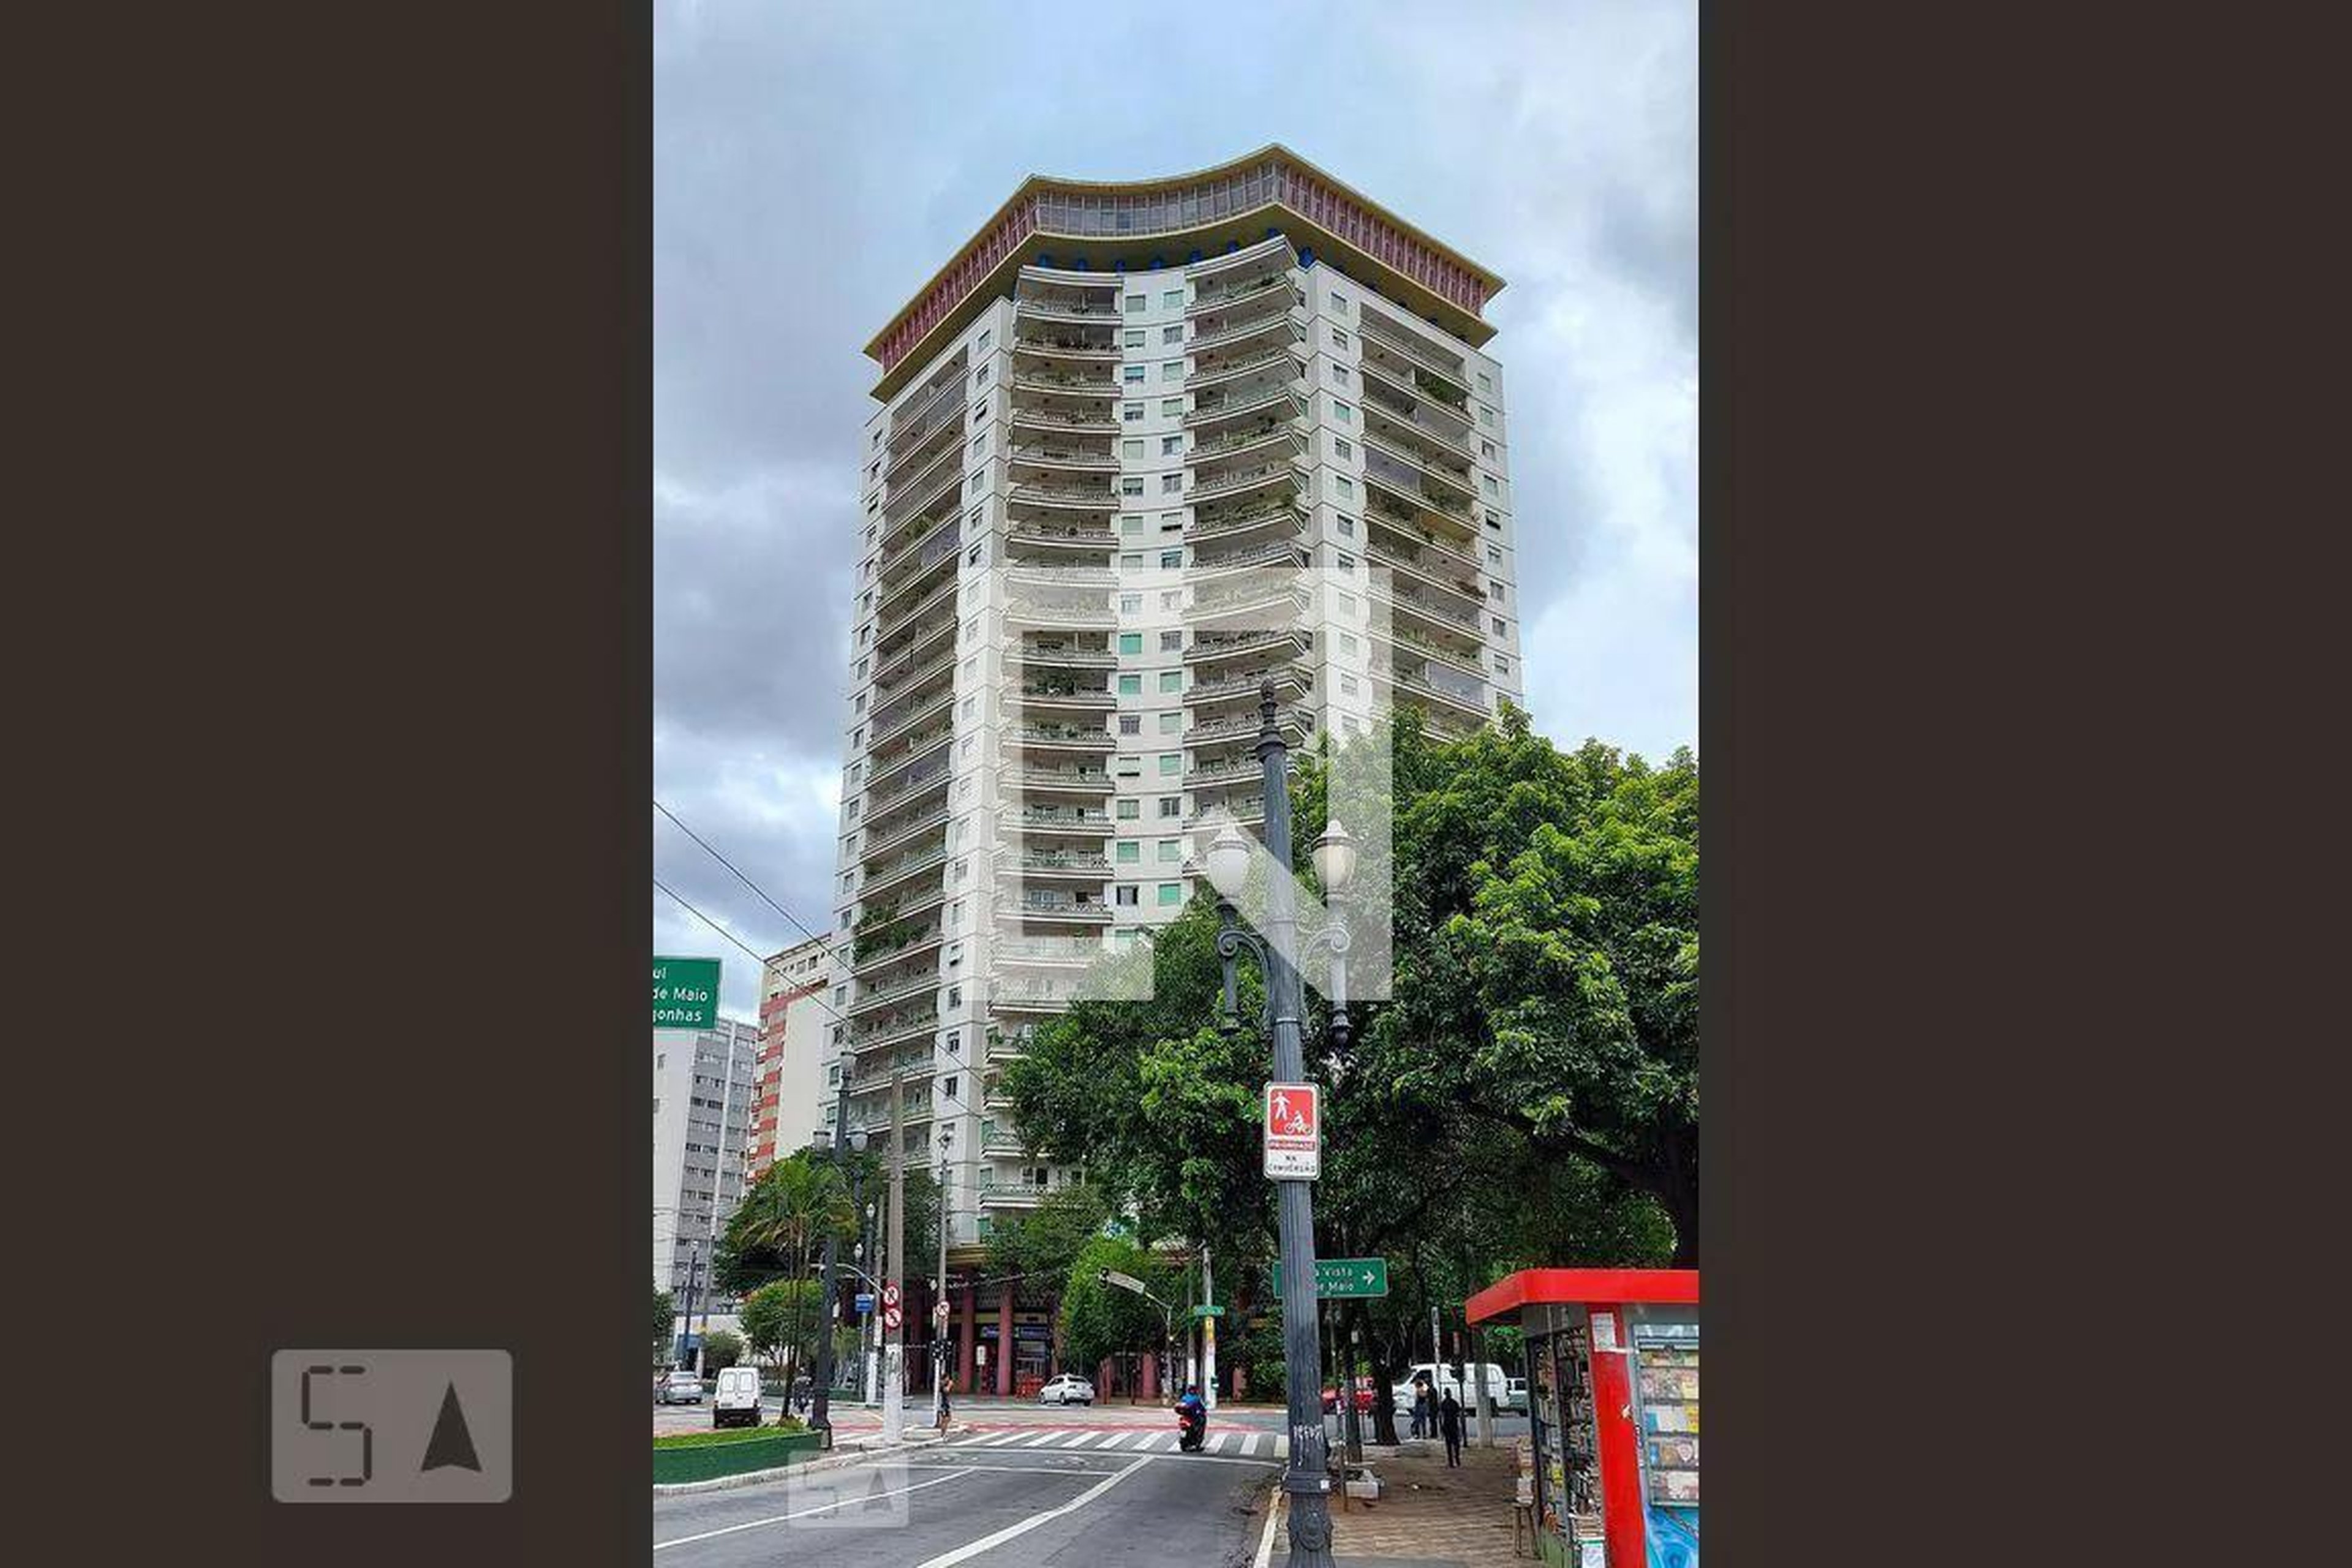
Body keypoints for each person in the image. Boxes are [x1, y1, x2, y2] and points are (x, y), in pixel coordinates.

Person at [1439, 1389, 1464, 1468]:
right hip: (1453, 1425)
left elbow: (1441, 1416)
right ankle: (1457, 1459)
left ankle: (1451, 1462)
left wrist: (1441, 1427)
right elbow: (1459, 1414)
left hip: (1447, 1426)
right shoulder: (1454, 1403)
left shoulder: (1443, 1403)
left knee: (1449, 1445)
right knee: (1456, 1444)